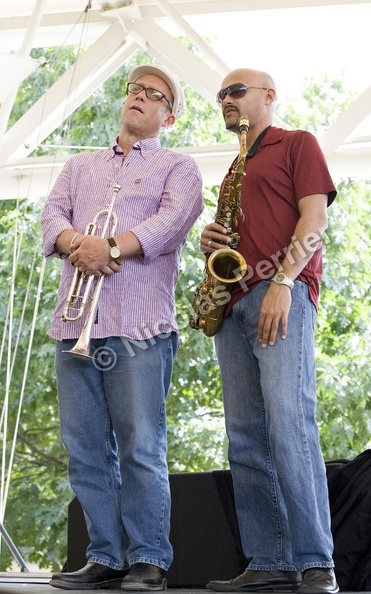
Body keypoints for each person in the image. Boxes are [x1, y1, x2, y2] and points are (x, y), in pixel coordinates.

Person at [41, 64, 203, 591]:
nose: (139, 97)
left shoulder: (178, 168)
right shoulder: (78, 167)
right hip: (75, 324)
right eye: (134, 89)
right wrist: (77, 244)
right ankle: (105, 556)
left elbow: (171, 223)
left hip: (138, 328)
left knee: (139, 446)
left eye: (154, 94)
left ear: (168, 116)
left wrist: (109, 246)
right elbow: (51, 218)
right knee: (84, 446)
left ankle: (149, 558)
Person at [200, 68, 339, 594]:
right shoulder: (234, 171)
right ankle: (268, 561)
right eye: (221, 95)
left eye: (236, 91)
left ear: (268, 97)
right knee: (244, 436)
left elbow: (314, 218)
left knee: (288, 423)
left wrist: (282, 281)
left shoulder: (297, 143)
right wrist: (211, 240)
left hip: (280, 293)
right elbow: (234, 241)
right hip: (233, 304)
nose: (226, 100)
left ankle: (314, 560)